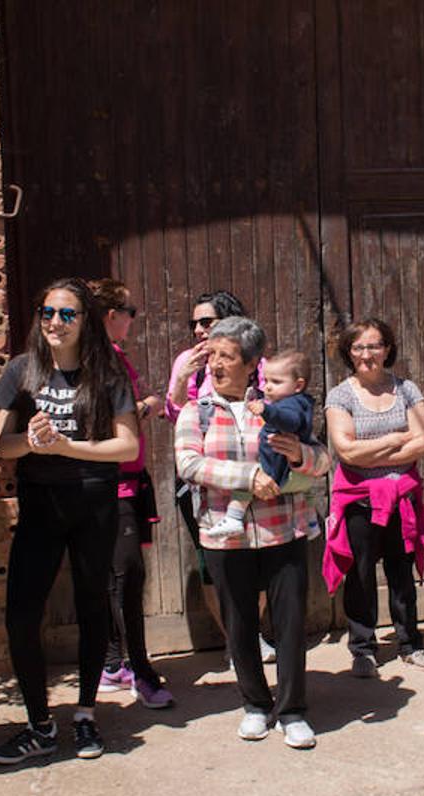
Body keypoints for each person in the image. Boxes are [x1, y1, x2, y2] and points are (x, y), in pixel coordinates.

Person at [0, 278, 140, 763]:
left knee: (94, 606)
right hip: (40, 504)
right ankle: (39, 724)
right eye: (48, 312)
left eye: (67, 314)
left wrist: (66, 446)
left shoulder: (108, 373)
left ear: (85, 321)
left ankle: (86, 715)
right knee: (21, 615)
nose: (55, 322)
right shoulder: (21, 371)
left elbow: (129, 446)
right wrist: (32, 441)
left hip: (94, 503)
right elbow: (0, 445)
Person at [174, 317, 330, 749]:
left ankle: (293, 710)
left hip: (285, 530)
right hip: (226, 536)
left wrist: (300, 454)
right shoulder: (197, 411)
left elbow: (323, 462)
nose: (216, 365)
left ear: (251, 364)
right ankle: (256, 704)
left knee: (291, 622)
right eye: (212, 356)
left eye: (227, 356)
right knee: (240, 624)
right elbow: (188, 464)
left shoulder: (280, 406)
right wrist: (247, 475)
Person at [163, 290, 276, 663]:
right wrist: (184, 376)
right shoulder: (188, 361)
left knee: (257, 559)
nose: (197, 329)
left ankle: (251, 631)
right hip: (202, 481)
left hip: (254, 477)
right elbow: (174, 412)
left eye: (206, 322)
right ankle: (235, 640)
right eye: (193, 323)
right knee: (212, 565)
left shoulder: (254, 361)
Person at [322, 318, 424, 677]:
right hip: (359, 500)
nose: (367, 354)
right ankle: (363, 647)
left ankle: (409, 643)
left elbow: (423, 441)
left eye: (374, 346)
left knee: (401, 572)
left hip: (402, 497)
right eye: (359, 347)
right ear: (349, 352)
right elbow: (346, 452)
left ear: (387, 348)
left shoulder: (407, 390)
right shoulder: (340, 395)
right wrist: (394, 439)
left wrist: (371, 450)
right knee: (360, 574)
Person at [89, 279, 173, 708]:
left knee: (113, 578)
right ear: (111, 316)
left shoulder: (108, 356)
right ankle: (142, 673)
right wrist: (148, 406)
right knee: (127, 578)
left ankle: (112, 664)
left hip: (124, 482)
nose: (132, 319)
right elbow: (106, 419)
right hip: (114, 484)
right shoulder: (103, 359)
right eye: (129, 311)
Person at [204, 350, 317, 539]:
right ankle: (312, 523)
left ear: (298, 385)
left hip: (277, 468)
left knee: (247, 485)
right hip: (290, 473)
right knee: (304, 493)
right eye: (266, 381)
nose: (268, 388)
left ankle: (234, 516)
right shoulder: (293, 401)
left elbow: (291, 421)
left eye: (276, 382)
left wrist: (267, 411)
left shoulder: (291, 404)